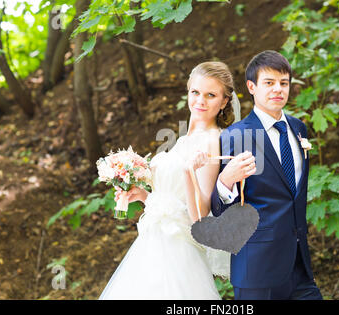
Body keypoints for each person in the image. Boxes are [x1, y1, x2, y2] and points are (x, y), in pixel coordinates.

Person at [99, 61, 239, 300]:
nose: (200, 101)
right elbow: (174, 201)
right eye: (195, 92)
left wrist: (188, 172)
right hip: (151, 243)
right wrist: (143, 196)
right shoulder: (185, 139)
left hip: (178, 252)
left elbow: (200, 217)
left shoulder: (212, 141)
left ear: (224, 101)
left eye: (211, 95)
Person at [211, 50, 323, 300]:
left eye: (284, 83)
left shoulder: (298, 128)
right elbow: (219, 210)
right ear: (252, 87)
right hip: (257, 270)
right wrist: (225, 180)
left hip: (300, 266)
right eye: (269, 83)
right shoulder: (236, 135)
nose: (278, 90)